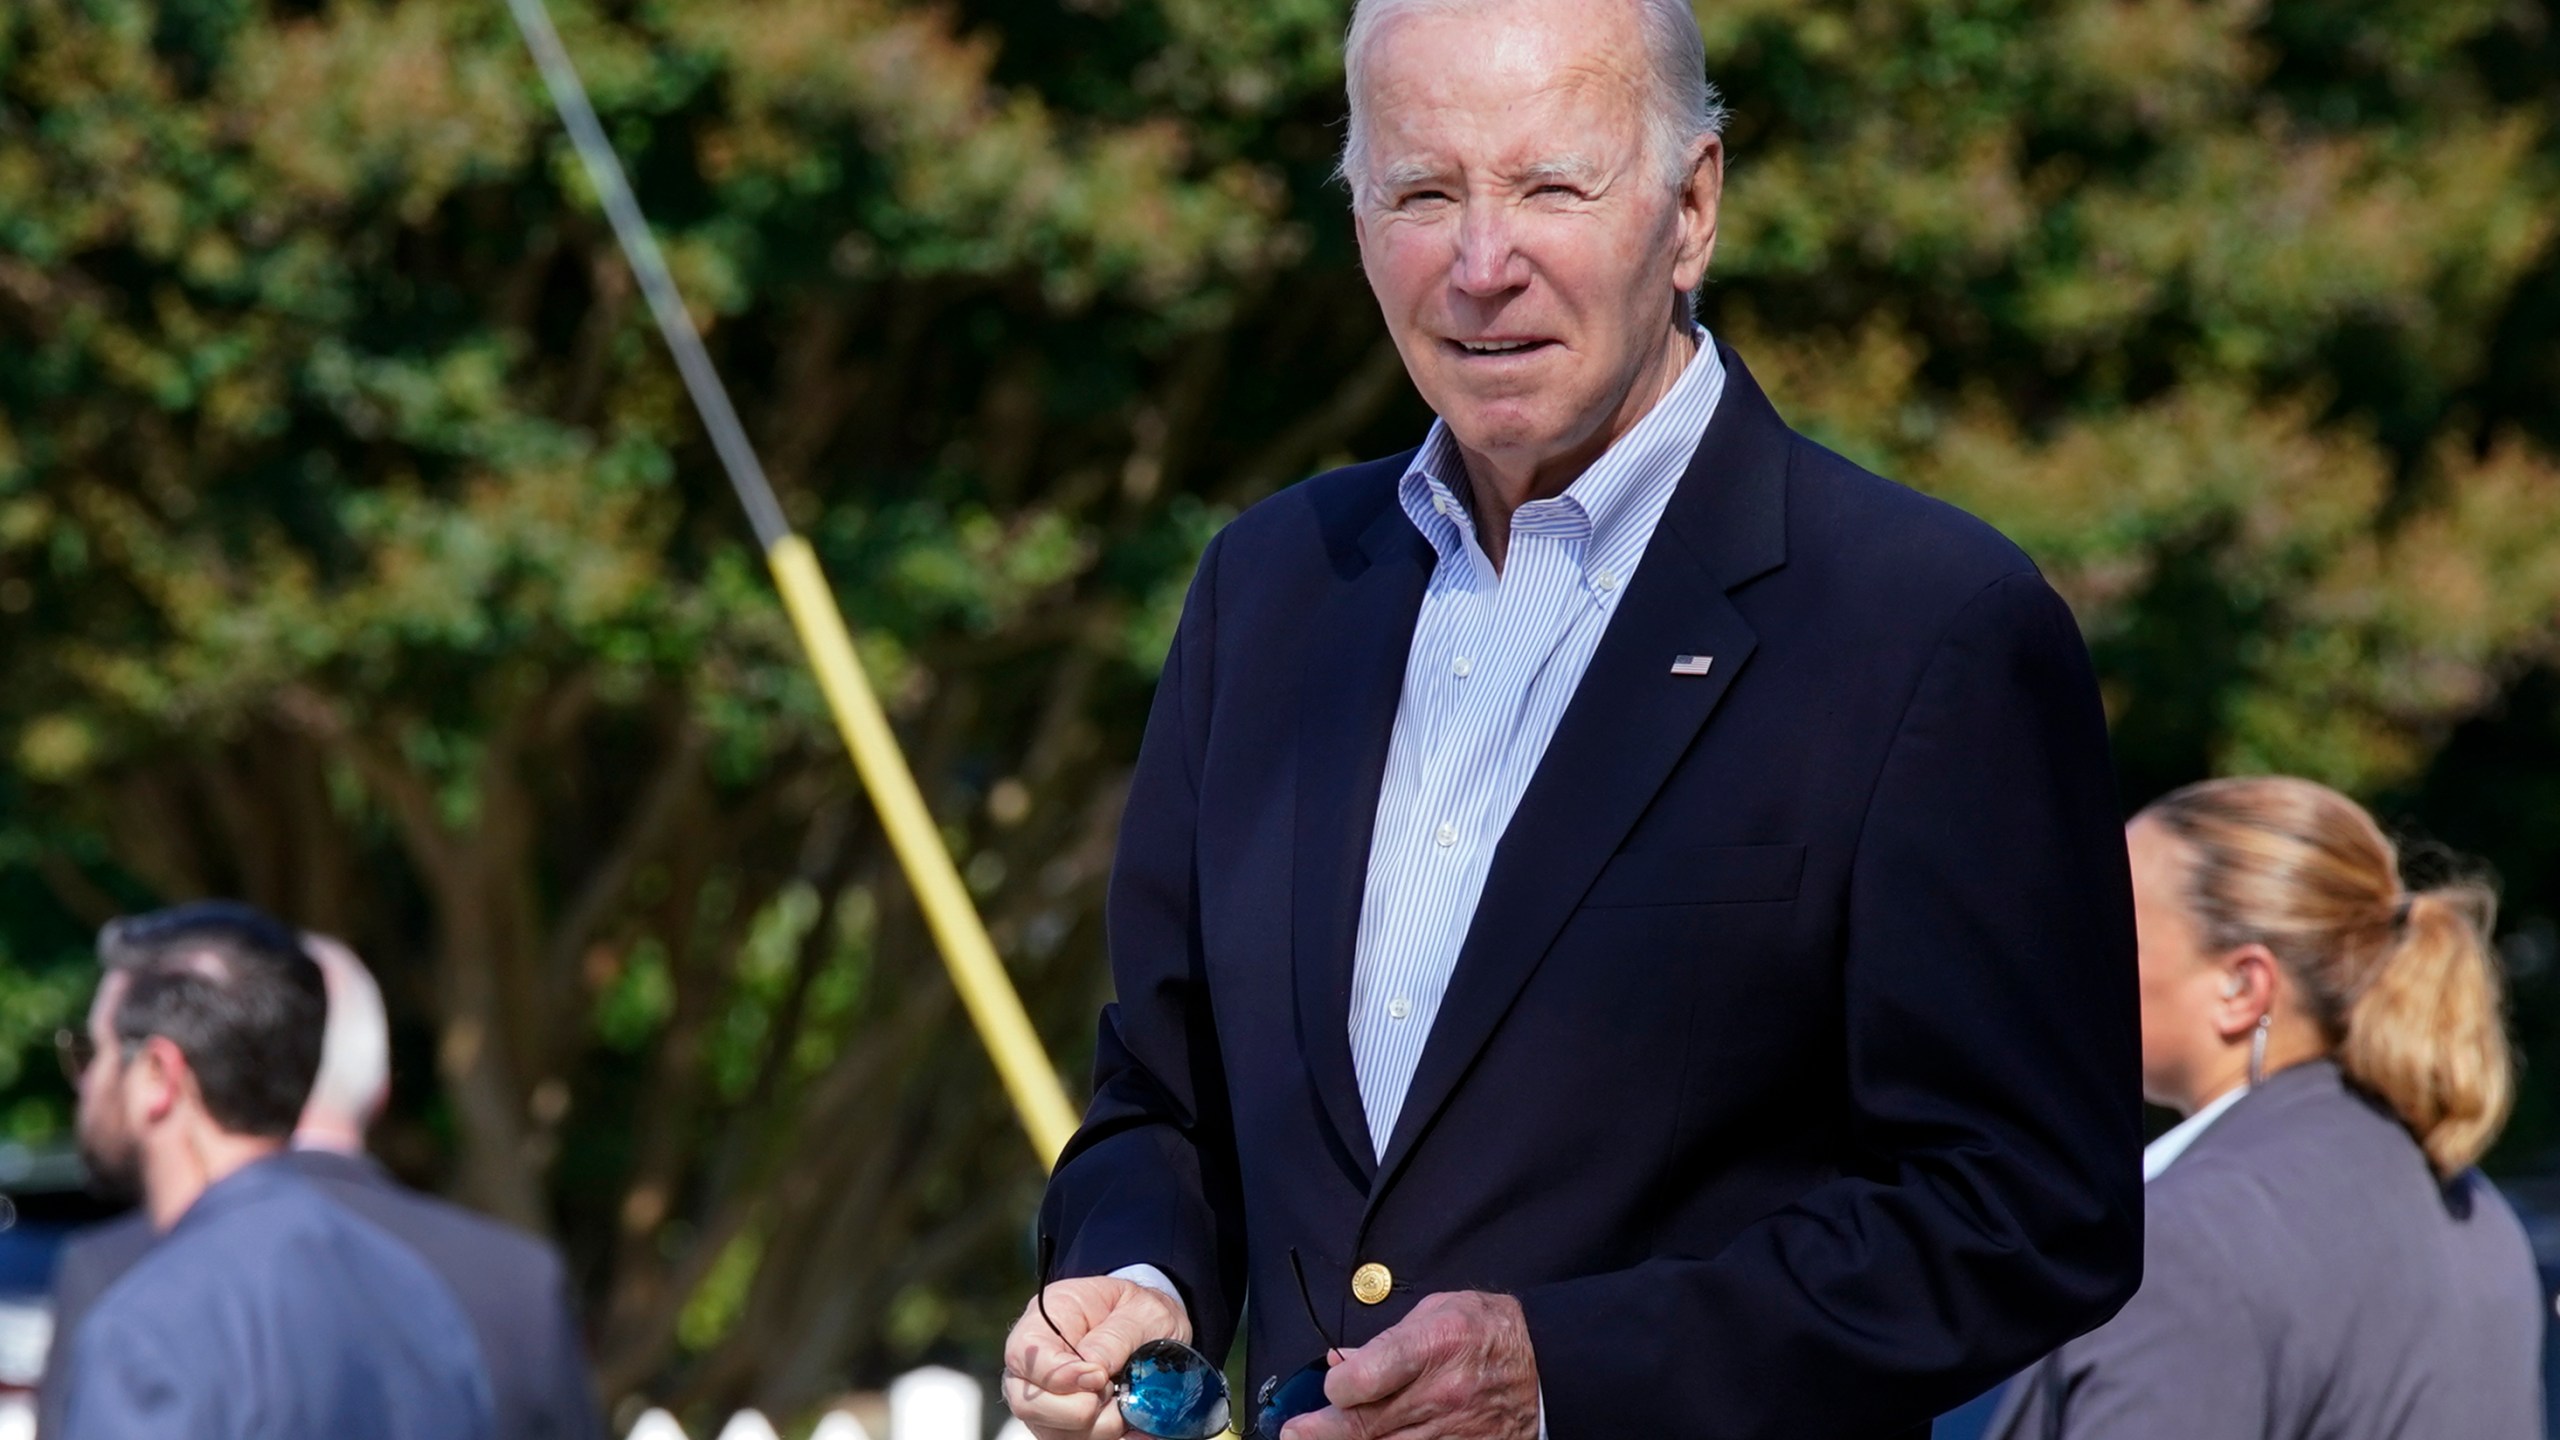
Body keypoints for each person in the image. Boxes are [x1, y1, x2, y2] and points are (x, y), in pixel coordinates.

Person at [1003, 1, 2144, 1437]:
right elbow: (1162, 1099)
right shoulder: (1271, 586)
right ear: (1359, 224)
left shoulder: (1926, 624)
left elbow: (2032, 1208)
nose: (1484, 265)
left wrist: (1571, 1371)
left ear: (1691, 209)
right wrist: (1138, 1276)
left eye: (1552, 186)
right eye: (1423, 193)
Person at [1987, 777, 2546, 1438]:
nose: (2069, 964)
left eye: (2109, 935)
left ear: (2241, 987)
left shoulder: (2182, 1245)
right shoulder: (2470, 1205)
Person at [40, 932, 605, 1440]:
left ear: (158, 1077)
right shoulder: (417, 1298)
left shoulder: (150, 1324)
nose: (86, 1084)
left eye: (96, 1054)